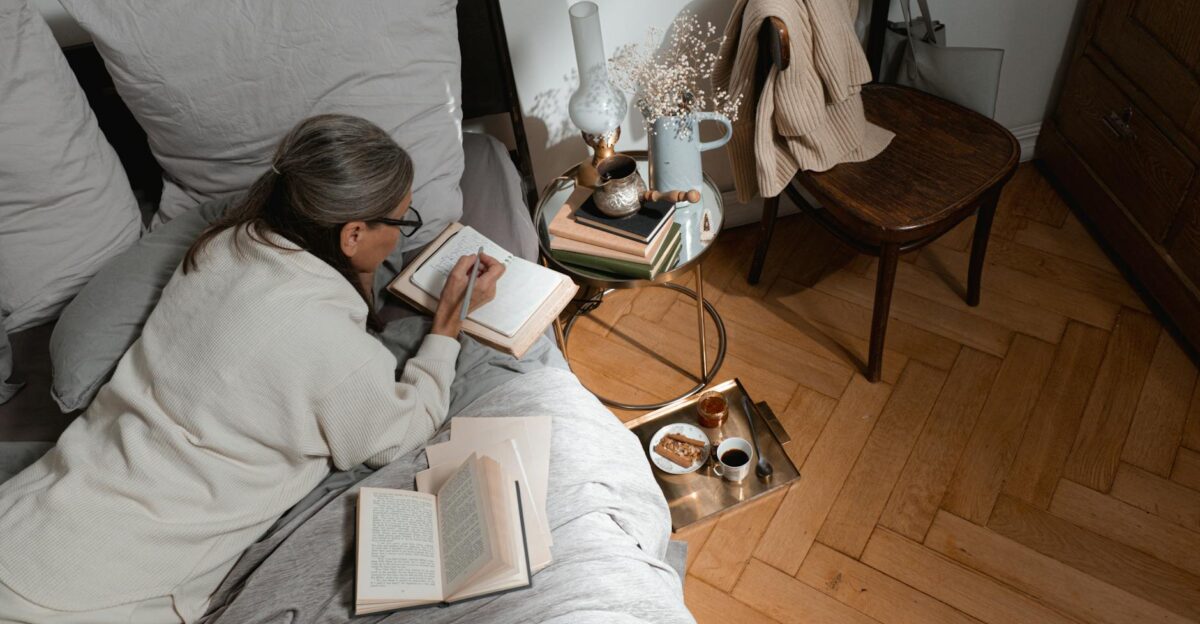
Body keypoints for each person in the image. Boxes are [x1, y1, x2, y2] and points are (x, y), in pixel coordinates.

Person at [0, 114, 504, 623]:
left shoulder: (222, 246)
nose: (399, 240)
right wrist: (446, 326)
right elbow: (399, 435)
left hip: (31, 514)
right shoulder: (327, 342)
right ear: (352, 234)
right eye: (400, 222)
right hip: (103, 588)